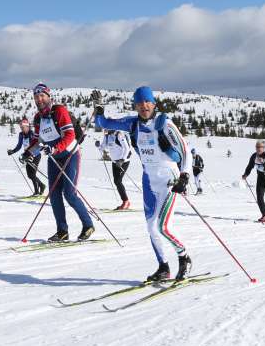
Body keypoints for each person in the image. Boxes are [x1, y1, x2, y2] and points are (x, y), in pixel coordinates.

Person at [93, 86, 193, 281]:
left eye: (147, 102)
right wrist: (98, 108)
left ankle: (184, 257)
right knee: (150, 227)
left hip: (169, 180)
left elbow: (185, 149)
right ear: (136, 105)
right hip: (149, 180)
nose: (144, 106)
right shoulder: (132, 124)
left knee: (163, 227)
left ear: (154, 104)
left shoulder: (164, 124)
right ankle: (163, 267)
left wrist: (185, 176)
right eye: (140, 103)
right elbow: (104, 122)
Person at [22, 83, 94, 242]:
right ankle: (62, 231)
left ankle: (88, 225)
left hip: (70, 155)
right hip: (54, 158)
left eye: (42, 96)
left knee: (70, 194)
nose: (39, 99)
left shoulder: (59, 111)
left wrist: (55, 148)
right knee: (54, 195)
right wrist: (28, 153)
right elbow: (37, 140)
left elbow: (69, 135)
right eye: (36, 97)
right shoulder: (37, 118)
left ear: (48, 97)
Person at [8, 119, 45, 196]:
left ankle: (36, 192)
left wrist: (32, 155)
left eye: (23, 127)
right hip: (27, 155)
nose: (22, 129)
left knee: (32, 174)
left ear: (27, 126)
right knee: (29, 175)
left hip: (35, 155)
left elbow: (38, 146)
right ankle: (42, 185)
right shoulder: (21, 134)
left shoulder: (32, 134)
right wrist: (13, 151)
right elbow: (19, 145)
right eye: (21, 127)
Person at [99, 129, 133, 209]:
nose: (105, 130)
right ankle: (125, 201)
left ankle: (126, 202)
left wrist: (122, 160)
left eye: (107, 128)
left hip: (123, 162)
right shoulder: (107, 136)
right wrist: (99, 146)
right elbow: (103, 146)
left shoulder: (119, 134)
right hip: (114, 162)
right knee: (116, 181)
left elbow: (126, 148)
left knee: (118, 181)